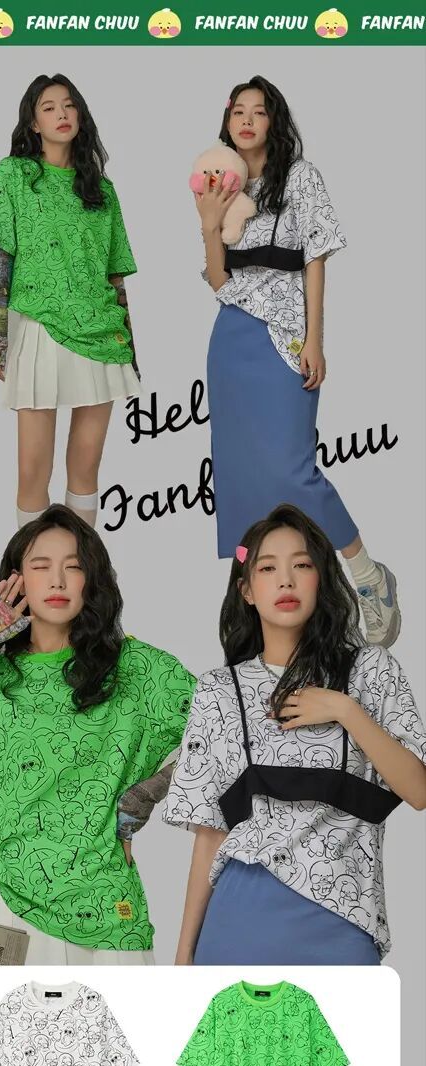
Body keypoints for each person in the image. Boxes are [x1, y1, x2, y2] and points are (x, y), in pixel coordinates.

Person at [0, 509, 195, 958]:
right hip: (2, 907)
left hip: (108, 911)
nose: (58, 580)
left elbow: (229, 733)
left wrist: (144, 796)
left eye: (74, 566)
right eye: (40, 566)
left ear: (93, 580)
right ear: (15, 581)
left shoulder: (138, 668)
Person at [165, 509, 426, 965]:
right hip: (238, 921)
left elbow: (418, 790)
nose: (285, 580)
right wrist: (184, 955)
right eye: (267, 568)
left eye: (302, 565)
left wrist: (345, 710)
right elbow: (209, 835)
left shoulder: (372, 670)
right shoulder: (218, 690)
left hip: (344, 921)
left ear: (322, 579)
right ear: (247, 590)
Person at [197, 73, 398, 641]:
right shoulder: (221, 184)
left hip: (287, 336)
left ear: (273, 121)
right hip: (232, 338)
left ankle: (368, 578)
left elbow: (315, 259)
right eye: (238, 111)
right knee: (239, 474)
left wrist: (315, 338)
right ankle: (259, 612)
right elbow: (219, 280)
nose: (246, 120)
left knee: (294, 471)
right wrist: (210, 223)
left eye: (258, 111)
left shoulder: (301, 177)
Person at [0, 74, 138, 528]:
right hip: (40, 327)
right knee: (34, 470)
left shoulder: (102, 190)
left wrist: (130, 346)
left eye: (69, 106)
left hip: (102, 334)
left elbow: (114, 275)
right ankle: (30, 565)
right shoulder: (13, 175)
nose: (61, 114)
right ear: (33, 122)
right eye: (48, 108)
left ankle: (83, 563)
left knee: (85, 469)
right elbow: (3, 262)